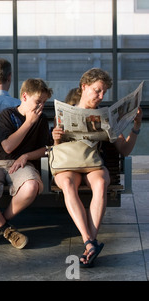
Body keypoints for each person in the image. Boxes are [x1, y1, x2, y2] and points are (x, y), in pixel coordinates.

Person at [52, 68, 143, 267]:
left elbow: (125, 150)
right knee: (67, 184)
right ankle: (90, 242)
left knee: (101, 183)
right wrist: (56, 138)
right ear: (84, 87)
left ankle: (89, 244)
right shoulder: (66, 110)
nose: (101, 96)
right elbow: (56, 149)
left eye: (104, 92)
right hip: (68, 163)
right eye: (97, 90)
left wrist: (135, 127)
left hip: (92, 163)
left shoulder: (105, 117)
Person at [0, 78, 53, 249]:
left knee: (31, 187)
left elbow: (46, 148)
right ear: (24, 96)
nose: (40, 106)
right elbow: (7, 147)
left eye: (44, 102)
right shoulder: (6, 115)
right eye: (38, 101)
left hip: (22, 165)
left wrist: (27, 156)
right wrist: (29, 122)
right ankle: (7, 230)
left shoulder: (42, 120)